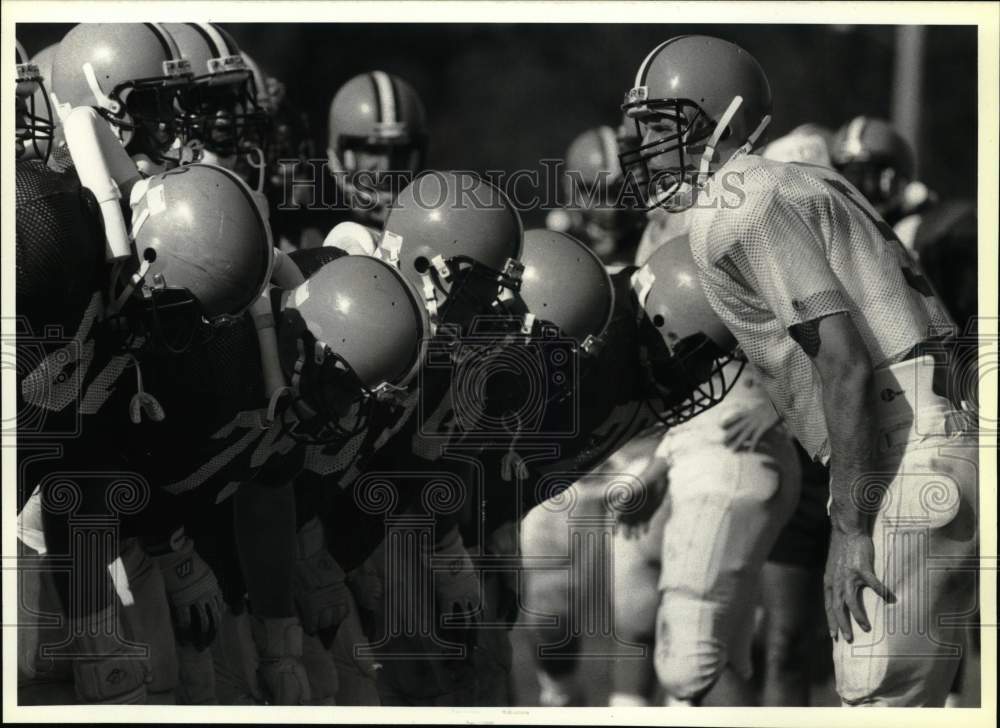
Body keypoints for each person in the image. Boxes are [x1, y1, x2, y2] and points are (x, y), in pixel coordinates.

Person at [618, 34, 977, 707]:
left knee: (876, 703)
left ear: (713, 118)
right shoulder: (802, 179)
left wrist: (850, 528)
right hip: (944, 433)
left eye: (661, 125)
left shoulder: (735, 204)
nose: (644, 145)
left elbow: (842, 363)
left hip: (905, 444)